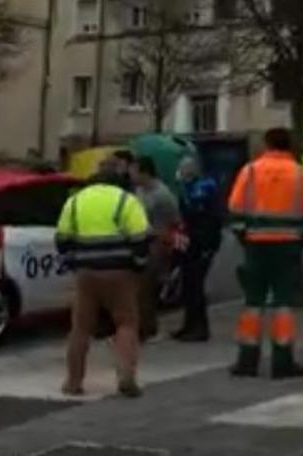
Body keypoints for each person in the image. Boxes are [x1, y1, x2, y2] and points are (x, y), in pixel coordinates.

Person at [227, 128, 303, 378]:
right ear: (289, 145)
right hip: (288, 246)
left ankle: (247, 361)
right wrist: (299, 242)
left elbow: (235, 209)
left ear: (267, 144)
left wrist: (244, 237)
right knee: (283, 304)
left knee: (253, 303)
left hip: (256, 244)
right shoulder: (301, 175)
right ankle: (283, 360)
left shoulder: (251, 171)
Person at [55, 162, 151, 398]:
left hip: (86, 273)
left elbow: (62, 239)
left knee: (80, 328)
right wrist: (139, 265)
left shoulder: (76, 201)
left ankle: (73, 382)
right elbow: (141, 238)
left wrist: (73, 262)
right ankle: (126, 377)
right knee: (126, 323)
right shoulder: (126, 201)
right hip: (119, 272)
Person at [129, 156, 181, 342]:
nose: (131, 175)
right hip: (140, 240)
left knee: (146, 286)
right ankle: (141, 326)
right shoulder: (139, 191)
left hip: (156, 242)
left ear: (145, 172)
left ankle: (149, 329)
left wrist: (166, 241)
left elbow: (174, 220)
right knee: (138, 287)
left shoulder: (162, 194)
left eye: (134, 171)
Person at [171, 156, 222, 342]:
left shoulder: (203, 188)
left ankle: (199, 328)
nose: (181, 173)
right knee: (188, 286)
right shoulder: (189, 187)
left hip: (202, 243)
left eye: (184, 170)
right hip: (191, 242)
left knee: (195, 286)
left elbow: (208, 218)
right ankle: (189, 325)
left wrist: (206, 244)